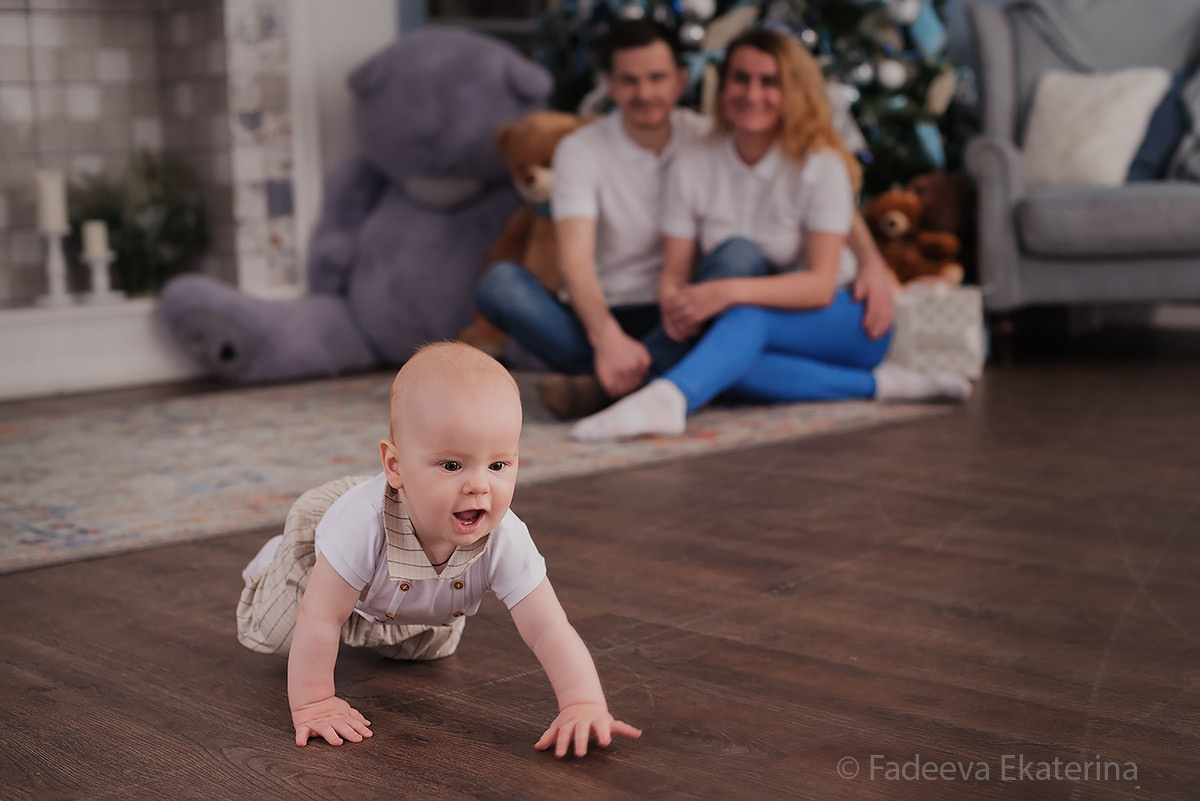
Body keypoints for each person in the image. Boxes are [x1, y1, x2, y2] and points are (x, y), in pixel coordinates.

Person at [476, 19, 896, 420]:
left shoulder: (709, 134)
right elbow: (575, 260)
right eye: (629, 80)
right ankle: (638, 372)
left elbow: (823, 189)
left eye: (657, 78)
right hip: (605, 313)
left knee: (739, 254)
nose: (645, 93)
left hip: (689, 309)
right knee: (501, 286)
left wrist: (872, 262)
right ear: (609, 84)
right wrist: (607, 337)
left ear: (680, 80)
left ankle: (612, 386)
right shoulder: (582, 150)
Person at [236, 342, 641, 757]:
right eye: (452, 465)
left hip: (408, 597)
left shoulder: (506, 536)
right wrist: (314, 702)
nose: (479, 485)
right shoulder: (361, 523)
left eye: (498, 465)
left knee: (428, 649)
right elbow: (321, 616)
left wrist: (583, 702)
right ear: (395, 467)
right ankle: (275, 560)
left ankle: (395, 607)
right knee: (280, 634)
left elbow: (549, 628)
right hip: (327, 567)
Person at [570, 29, 970, 442]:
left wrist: (724, 292)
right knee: (725, 365)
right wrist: (674, 298)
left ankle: (668, 399)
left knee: (740, 324)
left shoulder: (820, 165)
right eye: (740, 78)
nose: (752, 93)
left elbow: (818, 285)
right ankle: (885, 385)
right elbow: (674, 270)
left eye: (769, 82)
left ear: (792, 90)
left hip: (845, 317)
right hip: (756, 324)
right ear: (723, 86)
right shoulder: (693, 162)